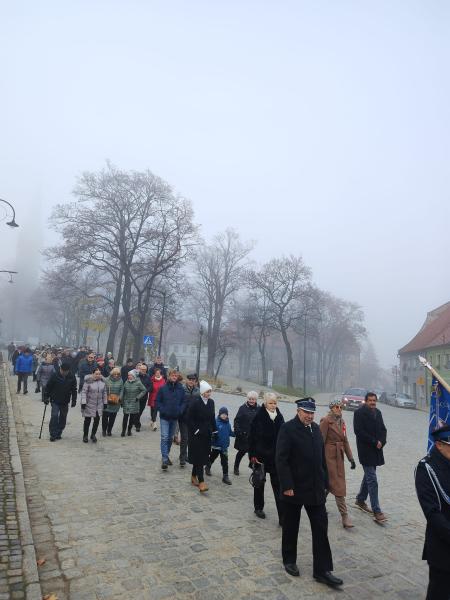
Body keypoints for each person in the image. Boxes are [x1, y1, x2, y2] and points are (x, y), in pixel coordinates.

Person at [276, 397, 343, 587]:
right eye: (306, 412)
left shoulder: (315, 430)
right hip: (294, 489)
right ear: (298, 411)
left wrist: (325, 482)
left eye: (312, 413)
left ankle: (322, 570)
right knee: (291, 526)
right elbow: (281, 459)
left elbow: (321, 459)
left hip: (315, 489)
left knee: (321, 529)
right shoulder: (288, 429)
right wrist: (287, 485)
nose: (309, 416)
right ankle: (289, 560)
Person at [415, 424, 450, 600]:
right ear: (439, 445)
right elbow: (432, 512)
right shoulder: (426, 468)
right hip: (443, 548)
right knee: (440, 593)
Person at [320, 398, 356, 528]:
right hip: (328, 456)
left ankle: (319, 503)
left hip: (339, 457)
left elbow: (345, 441)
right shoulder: (325, 421)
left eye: (341, 407)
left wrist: (350, 458)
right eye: (336, 407)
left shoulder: (342, 422)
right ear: (331, 408)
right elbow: (320, 441)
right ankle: (344, 515)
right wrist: (319, 460)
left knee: (330, 484)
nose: (339, 409)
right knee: (338, 485)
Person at [248, 392, 284, 522]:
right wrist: (252, 456)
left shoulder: (279, 417)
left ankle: (282, 515)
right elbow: (251, 437)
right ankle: (258, 507)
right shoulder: (259, 416)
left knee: (278, 486)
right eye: (270, 403)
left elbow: (284, 437)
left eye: (275, 403)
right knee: (259, 483)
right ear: (265, 403)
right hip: (260, 457)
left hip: (275, 458)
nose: (273, 405)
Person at [353, 392, 388, 523]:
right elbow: (359, 432)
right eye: (370, 400)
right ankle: (377, 510)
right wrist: (374, 441)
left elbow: (383, 429)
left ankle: (360, 499)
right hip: (366, 450)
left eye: (374, 400)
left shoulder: (378, 413)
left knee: (369, 476)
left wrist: (382, 441)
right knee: (372, 479)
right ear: (365, 401)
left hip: (377, 450)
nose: (372, 402)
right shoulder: (359, 413)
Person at [187, 380, 216, 492]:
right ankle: (202, 481)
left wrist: (215, 430)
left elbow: (212, 417)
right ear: (202, 392)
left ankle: (193, 476)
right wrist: (196, 431)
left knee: (203, 456)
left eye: (210, 392)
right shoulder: (195, 402)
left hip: (207, 434)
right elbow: (189, 418)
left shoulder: (211, 402)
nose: (209, 394)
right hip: (196, 434)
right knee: (199, 457)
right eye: (207, 392)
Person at [156, 369, 186, 470]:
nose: (174, 377)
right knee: (164, 437)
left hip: (174, 417)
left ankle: (166, 454)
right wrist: (162, 410)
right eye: (172, 375)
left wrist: (180, 410)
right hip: (164, 417)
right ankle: (164, 459)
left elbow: (183, 402)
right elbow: (158, 401)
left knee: (169, 438)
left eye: (176, 376)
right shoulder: (163, 388)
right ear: (169, 376)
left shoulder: (180, 389)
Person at [44, 362, 77, 442]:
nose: (64, 373)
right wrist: (46, 397)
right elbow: (48, 387)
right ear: (60, 369)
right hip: (55, 400)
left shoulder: (72, 377)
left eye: (66, 372)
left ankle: (59, 432)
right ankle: (53, 434)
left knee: (63, 417)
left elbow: (74, 390)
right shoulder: (55, 375)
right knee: (54, 416)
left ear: (68, 371)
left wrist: (74, 400)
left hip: (65, 401)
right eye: (63, 371)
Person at [206, 406, 234, 484]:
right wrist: (212, 435)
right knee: (212, 457)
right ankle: (208, 466)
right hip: (216, 446)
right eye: (223, 414)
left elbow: (230, 432)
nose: (224, 416)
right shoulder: (216, 422)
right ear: (219, 414)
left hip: (224, 447)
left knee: (225, 461)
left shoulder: (228, 424)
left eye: (226, 414)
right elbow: (210, 431)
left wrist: (236, 434)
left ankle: (225, 476)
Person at [233, 391, 259, 475]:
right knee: (241, 452)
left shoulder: (259, 408)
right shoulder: (242, 408)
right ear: (247, 399)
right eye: (250, 399)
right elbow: (236, 420)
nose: (251, 401)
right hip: (243, 435)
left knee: (254, 453)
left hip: (254, 436)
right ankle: (236, 467)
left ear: (256, 399)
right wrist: (239, 432)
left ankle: (254, 469)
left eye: (253, 399)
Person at [178, 373, 200, 467]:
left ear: (195, 382)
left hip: (193, 419)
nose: (191, 381)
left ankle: (185, 455)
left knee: (190, 438)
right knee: (185, 438)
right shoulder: (182, 389)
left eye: (193, 380)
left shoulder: (198, 391)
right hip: (183, 417)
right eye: (190, 380)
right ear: (187, 380)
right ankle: (182, 458)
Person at [81, 368, 107, 443]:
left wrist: (105, 403)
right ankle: (85, 435)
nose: (98, 375)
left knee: (96, 421)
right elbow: (84, 392)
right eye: (96, 374)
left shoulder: (103, 382)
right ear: (93, 374)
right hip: (89, 404)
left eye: (99, 374)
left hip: (99, 405)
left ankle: (93, 435)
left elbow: (104, 393)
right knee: (87, 421)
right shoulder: (88, 382)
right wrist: (83, 402)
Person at [121, 370, 147, 437]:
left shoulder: (138, 382)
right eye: (128, 375)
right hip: (126, 402)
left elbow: (144, 390)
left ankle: (129, 431)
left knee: (132, 418)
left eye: (130, 375)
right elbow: (123, 392)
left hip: (134, 402)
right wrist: (121, 401)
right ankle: (123, 431)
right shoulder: (126, 382)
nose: (129, 376)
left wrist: (138, 397)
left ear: (134, 376)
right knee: (125, 417)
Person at [102, 367, 123, 436]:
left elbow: (122, 390)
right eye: (115, 374)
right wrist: (105, 397)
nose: (116, 375)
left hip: (116, 402)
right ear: (112, 374)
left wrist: (120, 397)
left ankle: (109, 430)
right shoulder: (107, 380)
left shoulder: (121, 380)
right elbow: (103, 389)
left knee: (112, 418)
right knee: (105, 417)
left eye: (117, 374)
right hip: (107, 401)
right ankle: (104, 430)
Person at [136, 363, 152, 431]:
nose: (143, 370)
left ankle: (136, 420)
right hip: (137, 396)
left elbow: (150, 386)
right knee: (137, 410)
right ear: (139, 369)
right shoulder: (136, 376)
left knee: (141, 410)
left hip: (144, 397)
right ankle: (137, 425)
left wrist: (146, 391)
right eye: (142, 369)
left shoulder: (148, 377)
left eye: (145, 369)